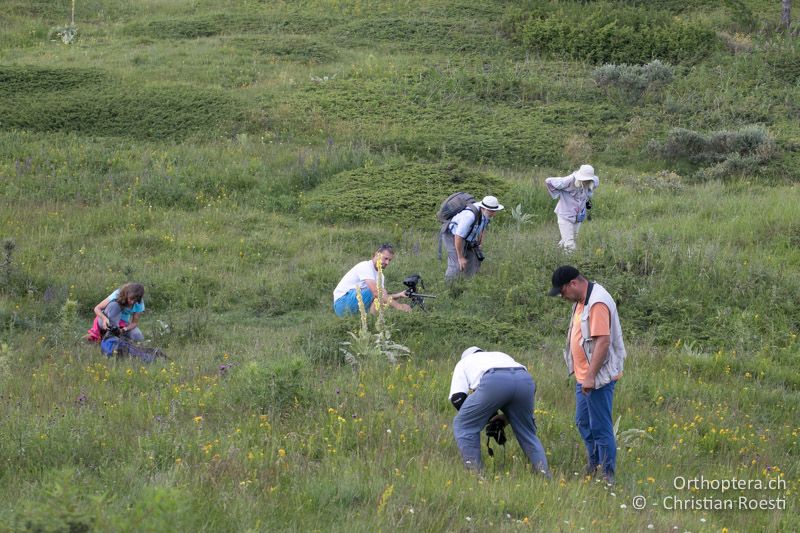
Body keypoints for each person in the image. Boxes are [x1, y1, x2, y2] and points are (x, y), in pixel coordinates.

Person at [548, 265, 626, 485]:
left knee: (601, 427)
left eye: (562, 292)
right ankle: (593, 465)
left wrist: (591, 376)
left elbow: (603, 341)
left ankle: (607, 476)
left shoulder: (597, 302)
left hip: (597, 379)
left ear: (573, 283)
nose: (562, 297)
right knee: (583, 422)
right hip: (583, 377)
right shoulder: (581, 300)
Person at [449, 346, 551, 477]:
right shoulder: (499, 355)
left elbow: (457, 398)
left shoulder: (464, 362)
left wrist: (484, 419)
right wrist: (504, 419)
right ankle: (544, 475)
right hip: (525, 381)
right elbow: (524, 391)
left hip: (494, 380)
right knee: (528, 433)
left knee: (463, 425)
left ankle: (474, 475)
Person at [332, 244, 412, 317]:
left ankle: (371, 322)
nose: (387, 262)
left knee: (381, 295)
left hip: (354, 304)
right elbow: (377, 293)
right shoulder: (365, 266)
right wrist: (399, 306)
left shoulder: (381, 276)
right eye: (385, 258)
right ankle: (372, 320)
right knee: (380, 291)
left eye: (389, 260)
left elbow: (383, 297)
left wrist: (399, 295)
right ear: (377, 254)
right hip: (342, 303)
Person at [443, 195, 504, 281]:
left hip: (468, 237)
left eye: (495, 211)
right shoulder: (469, 216)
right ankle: (449, 289)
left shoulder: (486, 215)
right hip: (453, 236)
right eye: (492, 211)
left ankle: (468, 285)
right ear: (483, 208)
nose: (494, 214)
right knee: (457, 264)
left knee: (475, 260)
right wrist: (460, 257)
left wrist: (479, 244)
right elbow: (458, 236)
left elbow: (482, 229)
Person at [544, 164, 599, 251]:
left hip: (578, 217)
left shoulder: (594, 181)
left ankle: (556, 255)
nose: (586, 181)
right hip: (565, 215)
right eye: (584, 179)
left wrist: (588, 196)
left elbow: (592, 187)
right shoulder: (568, 180)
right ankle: (569, 262)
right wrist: (559, 191)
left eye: (588, 180)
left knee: (569, 239)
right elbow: (548, 181)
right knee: (570, 244)